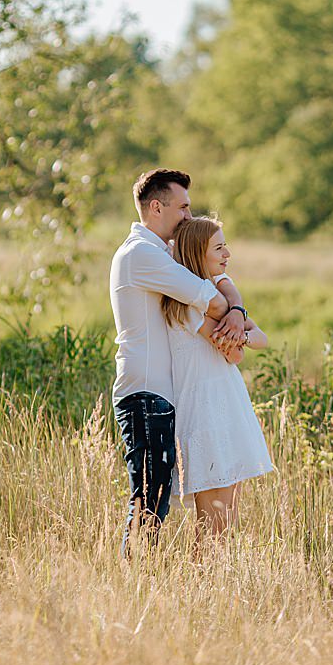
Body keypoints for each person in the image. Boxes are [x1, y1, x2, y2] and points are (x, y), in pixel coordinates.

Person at [109, 168, 248, 554]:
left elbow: (220, 279)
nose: (189, 215)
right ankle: (132, 580)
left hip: (162, 396)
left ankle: (141, 577)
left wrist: (237, 308)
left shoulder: (162, 252)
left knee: (158, 497)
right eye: (183, 207)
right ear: (156, 206)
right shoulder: (140, 256)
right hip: (145, 393)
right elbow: (212, 297)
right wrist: (231, 310)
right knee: (150, 500)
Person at [162, 215, 274, 551]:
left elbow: (262, 338)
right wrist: (240, 330)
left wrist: (239, 323)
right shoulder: (188, 302)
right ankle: (201, 589)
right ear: (199, 252)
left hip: (225, 405)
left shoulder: (216, 298)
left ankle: (213, 587)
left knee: (225, 520)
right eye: (219, 247)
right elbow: (235, 354)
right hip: (205, 410)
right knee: (213, 526)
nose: (228, 253)